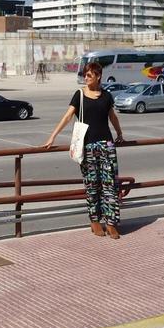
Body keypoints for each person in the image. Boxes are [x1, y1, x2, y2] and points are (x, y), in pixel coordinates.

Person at [44, 61, 124, 239]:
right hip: (86, 146)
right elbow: (67, 116)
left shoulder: (107, 96)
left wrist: (119, 133)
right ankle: (95, 221)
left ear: (98, 76)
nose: (86, 77)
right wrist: (52, 137)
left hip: (106, 145)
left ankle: (111, 223)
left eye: (89, 75)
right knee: (92, 185)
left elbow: (112, 117)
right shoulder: (79, 94)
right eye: (85, 74)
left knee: (110, 185)